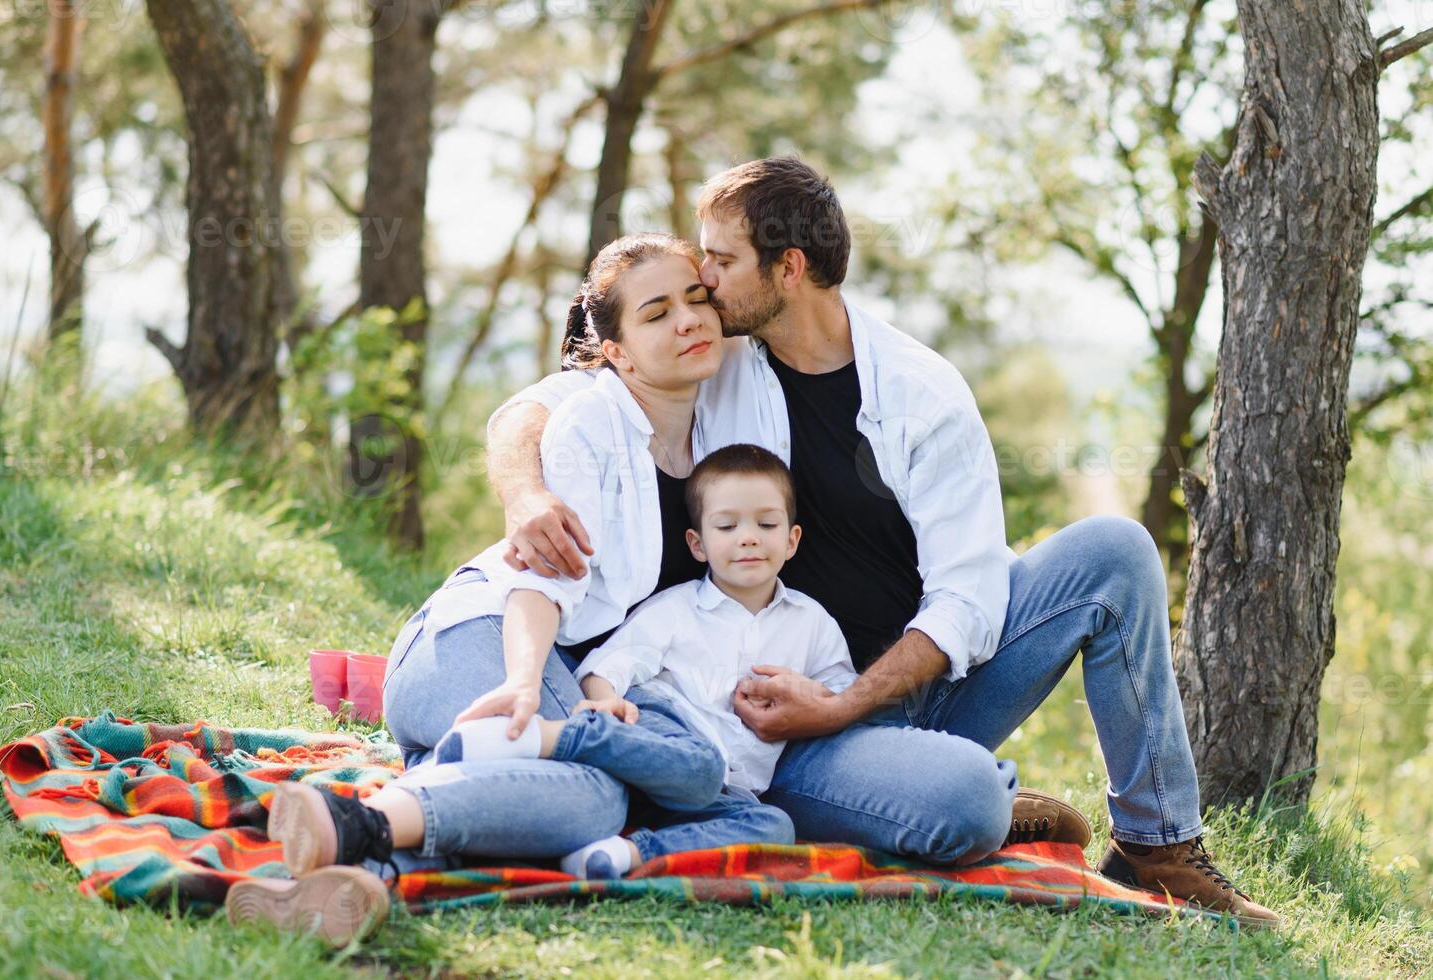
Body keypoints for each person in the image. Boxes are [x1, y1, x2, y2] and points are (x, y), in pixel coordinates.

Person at [485, 157, 1279, 928]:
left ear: (788, 267)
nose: (705, 282)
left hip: (896, 693)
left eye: (721, 262)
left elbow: (969, 600)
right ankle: (923, 792)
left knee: (1114, 549)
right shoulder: (714, 356)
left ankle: (1156, 844)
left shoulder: (917, 390)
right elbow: (544, 404)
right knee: (966, 802)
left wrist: (842, 704)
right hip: (771, 719)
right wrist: (527, 491)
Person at [228, 232, 743, 942]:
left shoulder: (727, 432)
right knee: (596, 801)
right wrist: (526, 684)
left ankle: (358, 875)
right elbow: (538, 580)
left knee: (586, 796)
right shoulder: (590, 423)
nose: (688, 320)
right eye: (656, 314)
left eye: (696, 300)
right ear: (616, 350)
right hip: (480, 640)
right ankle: (360, 820)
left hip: (556, 681)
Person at [434, 443, 856, 879]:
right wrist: (605, 701)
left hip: (723, 787)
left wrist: (810, 693)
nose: (748, 537)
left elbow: (841, 691)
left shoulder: (812, 622)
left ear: (791, 540)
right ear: (697, 544)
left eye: (766, 524)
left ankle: (623, 854)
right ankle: (544, 738)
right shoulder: (676, 610)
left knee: (773, 824)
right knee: (702, 764)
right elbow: (607, 667)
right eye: (727, 525)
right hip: (664, 733)